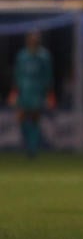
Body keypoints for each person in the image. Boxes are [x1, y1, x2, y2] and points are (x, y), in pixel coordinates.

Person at [6, 30, 55, 158]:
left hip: (37, 91)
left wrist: (49, 94)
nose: (33, 40)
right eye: (31, 38)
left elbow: (48, 76)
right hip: (24, 91)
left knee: (35, 118)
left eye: (36, 38)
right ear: (28, 40)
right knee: (21, 117)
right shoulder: (22, 56)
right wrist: (14, 92)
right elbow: (17, 75)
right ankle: (28, 144)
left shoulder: (44, 56)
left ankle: (32, 149)